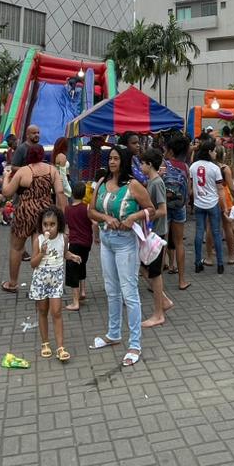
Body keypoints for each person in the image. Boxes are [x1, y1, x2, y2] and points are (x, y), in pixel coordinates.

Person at [87, 146, 153, 366]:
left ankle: (135, 343)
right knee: (111, 289)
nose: (112, 162)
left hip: (126, 243)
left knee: (129, 292)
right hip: (107, 241)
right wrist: (106, 217)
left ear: (124, 161)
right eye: (111, 158)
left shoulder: (133, 185)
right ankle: (113, 334)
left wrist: (134, 216)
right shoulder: (102, 182)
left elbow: (151, 209)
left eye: (116, 158)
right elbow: (91, 211)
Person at [0, 144, 64, 293]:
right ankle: (40, 284)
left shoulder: (23, 171)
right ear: (42, 155)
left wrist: (6, 177)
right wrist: (62, 215)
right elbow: (60, 192)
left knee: (16, 248)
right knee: (40, 249)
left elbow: (7, 193)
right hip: (44, 214)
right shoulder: (51, 170)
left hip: (24, 213)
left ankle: (13, 283)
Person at [30, 207, 79, 362]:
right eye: (45, 224)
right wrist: (41, 253)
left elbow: (62, 253)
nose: (48, 228)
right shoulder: (38, 240)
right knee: (43, 311)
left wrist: (72, 256)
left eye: (52, 224)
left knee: (57, 312)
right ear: (41, 225)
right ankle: (45, 343)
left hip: (56, 279)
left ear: (59, 225)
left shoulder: (63, 238)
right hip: (41, 280)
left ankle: (60, 347)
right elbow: (33, 263)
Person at [138, 150, 173, 326]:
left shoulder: (157, 183)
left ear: (149, 164)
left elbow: (162, 210)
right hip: (151, 233)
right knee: (144, 268)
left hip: (156, 234)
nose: (140, 166)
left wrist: (143, 216)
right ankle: (164, 301)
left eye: (142, 163)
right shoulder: (151, 182)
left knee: (155, 272)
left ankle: (159, 313)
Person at [161, 134, 191, 288]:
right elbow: (189, 192)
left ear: (171, 151)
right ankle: (182, 280)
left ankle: (157, 283)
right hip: (180, 208)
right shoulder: (186, 167)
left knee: (162, 243)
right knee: (179, 243)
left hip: (164, 208)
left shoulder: (163, 165)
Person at [190, 141, 225, 273]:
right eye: (214, 151)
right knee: (216, 233)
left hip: (198, 203)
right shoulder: (215, 168)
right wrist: (224, 206)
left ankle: (198, 263)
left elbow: (192, 183)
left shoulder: (193, 166)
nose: (215, 153)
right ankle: (220, 264)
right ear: (209, 152)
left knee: (199, 232)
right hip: (213, 203)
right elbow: (220, 188)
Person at [64, 181, 93, 311]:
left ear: (72, 193)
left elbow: (66, 229)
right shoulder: (86, 208)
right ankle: (83, 291)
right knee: (82, 264)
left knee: (73, 270)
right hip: (87, 242)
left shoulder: (68, 209)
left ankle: (75, 302)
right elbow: (95, 223)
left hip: (74, 242)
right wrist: (96, 237)